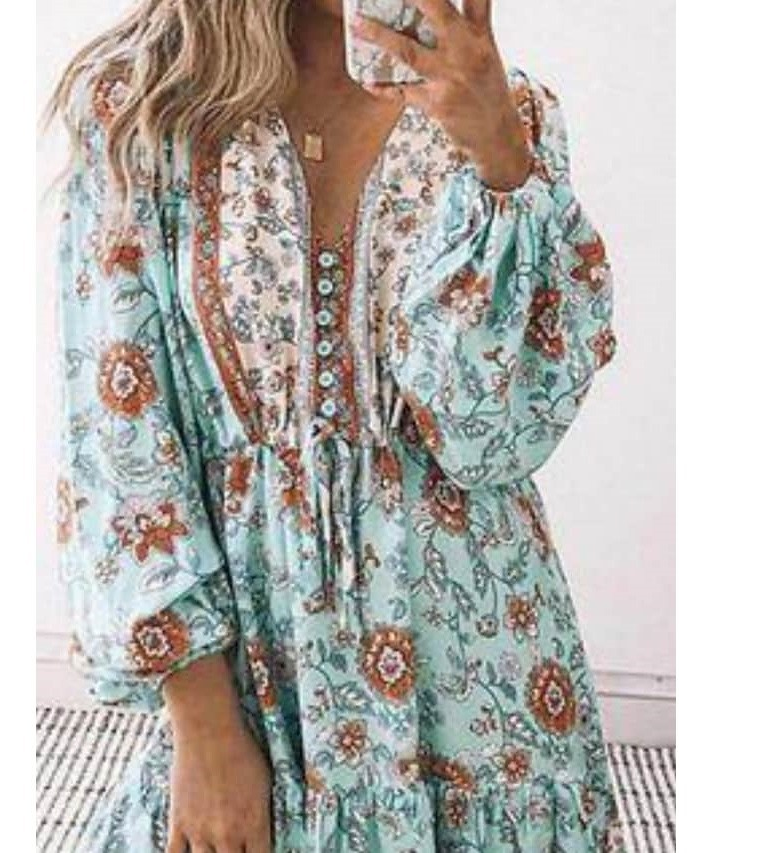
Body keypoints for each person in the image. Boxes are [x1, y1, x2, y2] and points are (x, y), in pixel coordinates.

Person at [47, 0, 623, 849]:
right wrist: (202, 725)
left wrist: (501, 160)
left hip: (480, 690)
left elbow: (492, 437)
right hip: (260, 681)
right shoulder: (141, 107)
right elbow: (117, 435)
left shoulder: (508, 111)